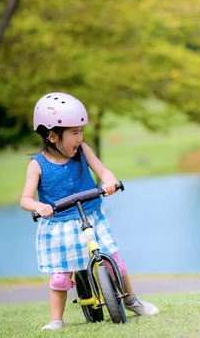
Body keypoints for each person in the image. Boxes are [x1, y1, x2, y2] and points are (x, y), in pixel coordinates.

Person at [20, 92, 158, 330]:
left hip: (90, 216)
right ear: (52, 136)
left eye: (81, 131)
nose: (80, 137)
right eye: (74, 133)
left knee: (117, 264)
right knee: (61, 278)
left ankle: (132, 300)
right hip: (59, 223)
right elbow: (25, 199)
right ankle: (56, 320)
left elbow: (103, 171)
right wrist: (40, 206)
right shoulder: (37, 165)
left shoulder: (83, 150)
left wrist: (109, 182)